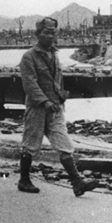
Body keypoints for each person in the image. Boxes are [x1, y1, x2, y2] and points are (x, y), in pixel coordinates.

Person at [18, 17, 93, 197]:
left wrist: (60, 96)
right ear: (37, 34)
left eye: (53, 32)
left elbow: (56, 79)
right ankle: (24, 180)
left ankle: (77, 182)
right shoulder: (29, 57)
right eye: (47, 32)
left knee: (64, 143)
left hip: (55, 107)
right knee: (31, 144)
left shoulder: (55, 54)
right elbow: (30, 83)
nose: (51, 36)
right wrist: (44, 101)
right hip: (38, 108)